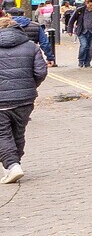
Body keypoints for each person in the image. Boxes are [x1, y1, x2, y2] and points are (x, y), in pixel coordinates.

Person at [0, 10, 50, 183]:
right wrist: (31, 85)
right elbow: (41, 71)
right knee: (18, 133)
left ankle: (12, 166)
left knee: (2, 134)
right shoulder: (31, 46)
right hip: (25, 99)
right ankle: (15, 164)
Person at [72, 0, 92, 69]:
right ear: (86, 4)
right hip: (82, 31)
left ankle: (87, 63)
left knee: (90, 48)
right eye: (90, 5)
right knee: (84, 46)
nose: (91, 7)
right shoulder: (80, 10)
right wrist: (69, 30)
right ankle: (81, 61)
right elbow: (72, 19)